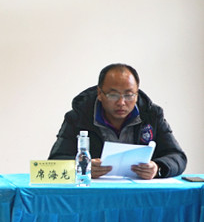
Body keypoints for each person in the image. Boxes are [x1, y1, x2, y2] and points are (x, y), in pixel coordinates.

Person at [48, 63, 186, 179]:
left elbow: (177, 157)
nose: (121, 102)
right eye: (113, 95)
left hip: (139, 193)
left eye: (129, 95)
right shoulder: (79, 117)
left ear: (137, 94)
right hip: (95, 195)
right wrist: (82, 167)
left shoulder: (151, 115)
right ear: (100, 94)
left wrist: (158, 168)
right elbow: (55, 161)